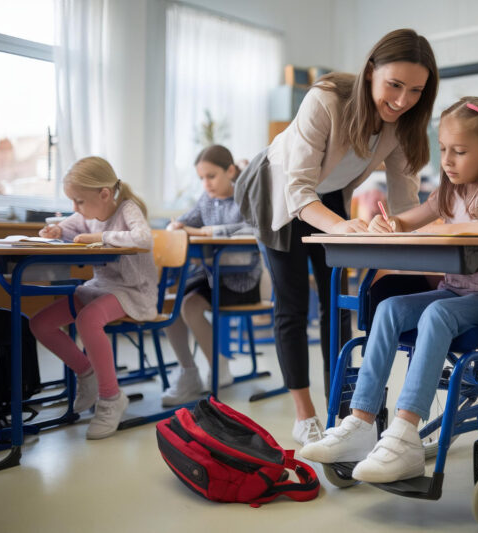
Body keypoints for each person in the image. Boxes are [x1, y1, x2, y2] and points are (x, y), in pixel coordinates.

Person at [299, 97, 478, 483]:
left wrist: (457, 229)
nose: (447, 160)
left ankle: (406, 435)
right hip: (454, 290)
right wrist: (390, 223)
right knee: (390, 308)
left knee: (437, 314)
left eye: (459, 151)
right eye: (443, 149)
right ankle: (361, 422)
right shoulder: (449, 189)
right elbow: (410, 220)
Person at [235, 28, 439, 446]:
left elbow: (404, 202)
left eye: (416, 90)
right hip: (278, 187)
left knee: (336, 304)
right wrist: (341, 227)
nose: (402, 101)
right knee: (292, 302)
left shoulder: (403, 125)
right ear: (370, 73)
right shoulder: (325, 99)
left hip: (326, 194)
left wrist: (406, 233)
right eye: (394, 85)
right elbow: (297, 190)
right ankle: (304, 414)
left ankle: (341, 410)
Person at [30, 156, 158, 439]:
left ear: (104, 194)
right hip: (101, 287)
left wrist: (96, 239)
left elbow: (144, 238)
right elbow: (70, 228)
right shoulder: (88, 214)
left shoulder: (127, 209)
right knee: (40, 324)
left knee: (88, 320)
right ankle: (87, 374)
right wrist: (57, 230)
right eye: (72, 202)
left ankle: (111, 398)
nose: (74, 209)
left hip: (134, 290)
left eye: (79, 202)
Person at [161, 145, 262, 406]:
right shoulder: (207, 199)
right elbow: (184, 220)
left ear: (230, 170)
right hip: (211, 276)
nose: (206, 184)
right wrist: (174, 226)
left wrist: (209, 231)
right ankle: (189, 372)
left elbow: (252, 228)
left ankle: (218, 365)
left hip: (241, 280)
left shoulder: (246, 194)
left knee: (190, 306)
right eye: (202, 178)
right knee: (169, 304)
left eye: (212, 176)